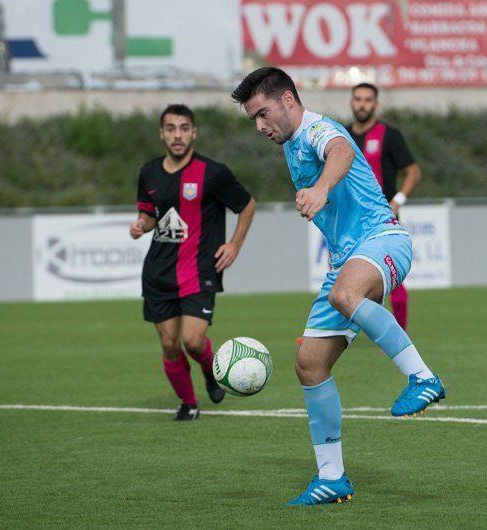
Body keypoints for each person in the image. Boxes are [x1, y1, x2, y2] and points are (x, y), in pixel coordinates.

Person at [231, 68, 444, 506]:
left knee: (344, 296)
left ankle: (422, 377)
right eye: (253, 119)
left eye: (263, 114)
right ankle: (332, 476)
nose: (259, 127)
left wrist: (322, 187)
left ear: (288, 99)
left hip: (384, 238)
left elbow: (341, 151)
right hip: (347, 259)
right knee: (309, 363)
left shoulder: (318, 129)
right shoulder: (290, 143)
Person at [129, 104, 256, 421]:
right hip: (158, 273)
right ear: (162, 134)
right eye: (170, 128)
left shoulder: (213, 173)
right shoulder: (149, 172)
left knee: (193, 341)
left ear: (194, 133)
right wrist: (140, 225)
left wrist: (235, 245)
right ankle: (188, 403)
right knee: (171, 345)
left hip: (199, 270)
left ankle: (211, 371)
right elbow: (148, 214)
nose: (177, 135)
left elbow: (247, 205)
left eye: (184, 128)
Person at [347, 82, 421, 330]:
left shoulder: (390, 135)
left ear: (375, 104)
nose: (362, 104)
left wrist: (397, 201)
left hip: (382, 218)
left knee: (392, 274)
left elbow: (413, 172)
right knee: (341, 275)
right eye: (358, 99)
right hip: (350, 218)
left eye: (368, 100)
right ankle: (329, 333)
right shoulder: (341, 136)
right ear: (351, 102)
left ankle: (400, 332)